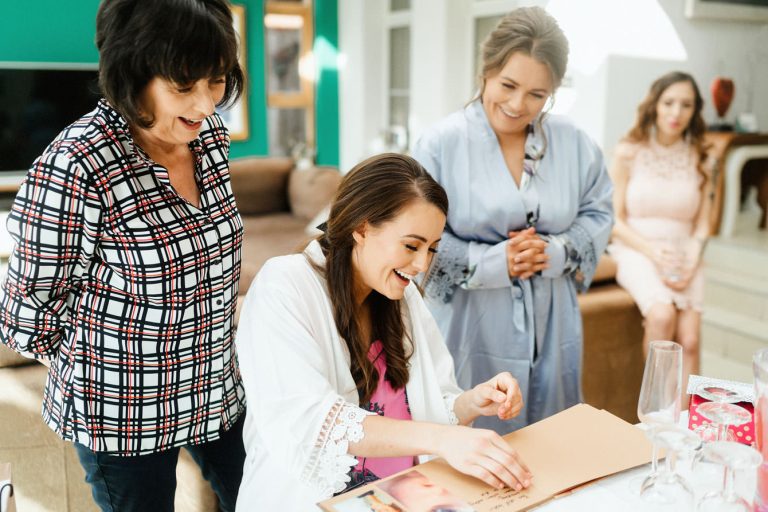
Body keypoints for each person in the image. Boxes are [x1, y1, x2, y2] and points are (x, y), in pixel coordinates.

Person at [0, 1, 247, 510]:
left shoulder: (210, 140)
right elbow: (23, 314)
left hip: (216, 389)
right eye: (183, 86)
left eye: (217, 80)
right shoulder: (77, 165)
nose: (205, 104)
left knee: (264, 497)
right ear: (132, 74)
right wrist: (112, 362)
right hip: (122, 413)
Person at [234, 154, 532, 511]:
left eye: (432, 249)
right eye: (411, 245)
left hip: (403, 498)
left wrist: (471, 402)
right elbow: (314, 421)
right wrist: (445, 439)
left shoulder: (402, 298)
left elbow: (424, 414)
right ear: (361, 228)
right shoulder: (284, 285)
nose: (422, 265)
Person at [411, 6, 613, 434]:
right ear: (486, 70)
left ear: (554, 91)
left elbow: (599, 213)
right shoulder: (440, 144)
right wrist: (492, 263)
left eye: (538, 94)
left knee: (552, 443)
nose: (519, 105)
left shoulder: (576, 144)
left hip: (553, 320)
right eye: (508, 85)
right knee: (476, 444)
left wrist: (555, 252)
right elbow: (412, 235)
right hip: (471, 323)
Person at [608, 71, 712, 393]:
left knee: (691, 341)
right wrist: (654, 253)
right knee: (662, 315)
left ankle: (686, 431)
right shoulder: (629, 151)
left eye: (686, 105)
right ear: (654, 105)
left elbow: (704, 223)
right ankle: (658, 414)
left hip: (685, 254)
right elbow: (614, 219)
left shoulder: (704, 156)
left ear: (695, 111)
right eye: (669, 102)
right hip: (638, 250)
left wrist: (691, 260)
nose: (676, 113)